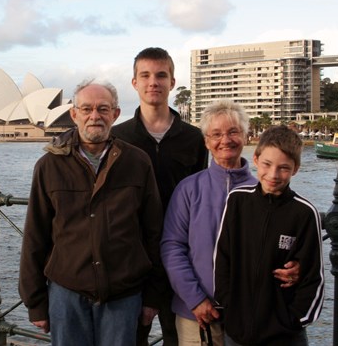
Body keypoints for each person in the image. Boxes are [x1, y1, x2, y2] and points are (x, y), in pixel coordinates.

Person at [19, 79, 165, 346]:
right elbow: (35, 237)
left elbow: (154, 232)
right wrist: (35, 302)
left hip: (124, 292)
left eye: (103, 109)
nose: (94, 116)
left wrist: (154, 295)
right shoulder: (49, 166)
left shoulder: (137, 162)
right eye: (86, 109)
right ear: (74, 114)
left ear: (116, 114)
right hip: (67, 292)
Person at [161, 100, 301, 346]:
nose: (225, 140)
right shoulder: (189, 189)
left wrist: (297, 265)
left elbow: (287, 240)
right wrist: (195, 298)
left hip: (252, 315)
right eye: (216, 134)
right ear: (206, 142)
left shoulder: (265, 190)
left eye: (233, 132)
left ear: (246, 137)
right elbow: (172, 247)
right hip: (196, 315)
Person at [112, 47, 208, 346]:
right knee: (129, 336)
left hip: (179, 254)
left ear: (172, 81)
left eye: (161, 75)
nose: (153, 82)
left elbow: (201, 198)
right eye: (146, 75)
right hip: (131, 255)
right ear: (134, 83)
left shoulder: (194, 138)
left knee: (176, 336)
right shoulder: (118, 137)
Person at [214, 125, 325, 346]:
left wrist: (293, 320)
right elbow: (223, 257)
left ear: (295, 169)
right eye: (267, 164)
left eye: (283, 168)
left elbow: (314, 276)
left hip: (284, 335)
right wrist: (228, 305)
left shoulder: (304, 213)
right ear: (255, 160)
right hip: (238, 331)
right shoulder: (237, 201)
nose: (273, 175)